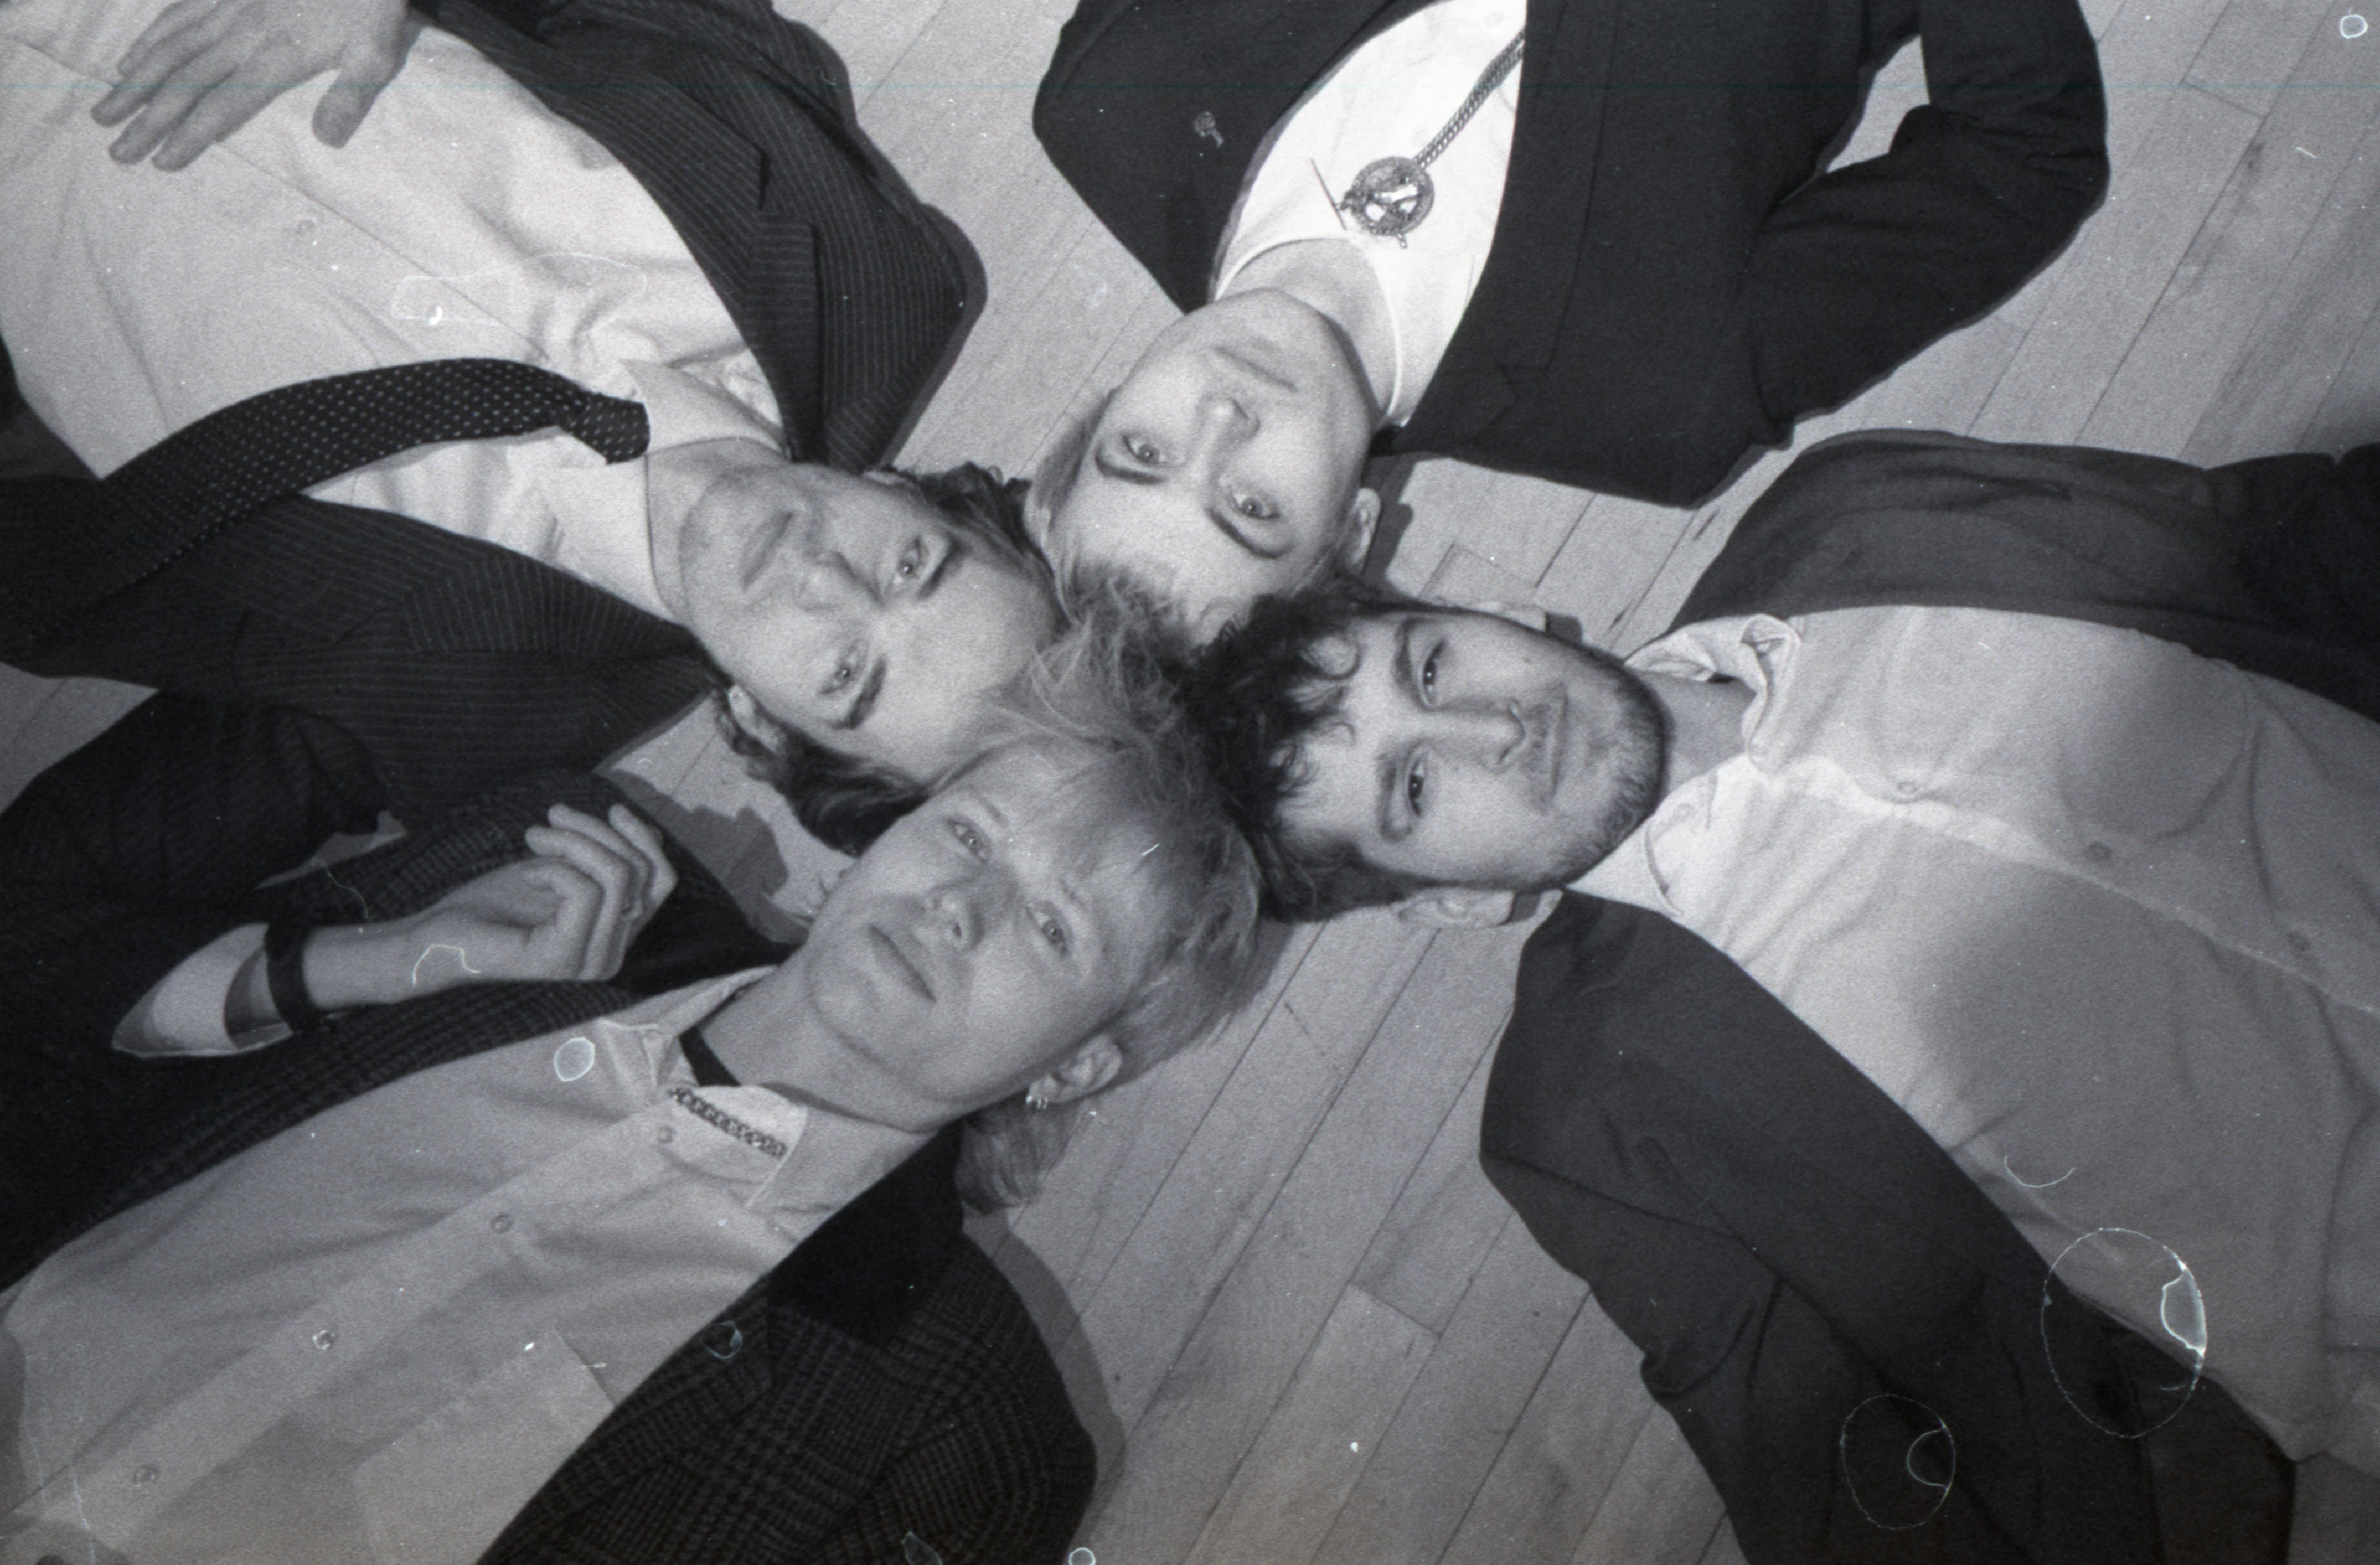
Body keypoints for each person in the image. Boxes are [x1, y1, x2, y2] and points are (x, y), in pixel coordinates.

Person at [1176, 427, 2380, 1562]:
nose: (1493, 728)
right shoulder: (1590, 1126)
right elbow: (1847, 1505)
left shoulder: (1855, 513)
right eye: (1413, 788)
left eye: (1430, 665)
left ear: (1495, 611)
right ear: (1450, 902)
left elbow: (2291, 535)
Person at [0, 625, 1265, 1564]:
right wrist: (374, 963)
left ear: (1076, 1063)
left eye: (1050, 925)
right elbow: (43, 998)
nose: (957, 905)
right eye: (969, 834)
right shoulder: (552, 857)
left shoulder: (959, 1437)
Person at [0, 0, 1058, 849]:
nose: (826, 580)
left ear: (762, 723)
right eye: (913, 565)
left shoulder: (457, 716)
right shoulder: (872, 270)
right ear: (908, 492)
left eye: (844, 675)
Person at [1028, 0, 2109, 639]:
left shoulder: (1103, 102)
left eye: (1141, 451)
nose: (1220, 420)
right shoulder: (1658, 401)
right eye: (1250, 506)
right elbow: (2024, 157)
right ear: (1350, 534)